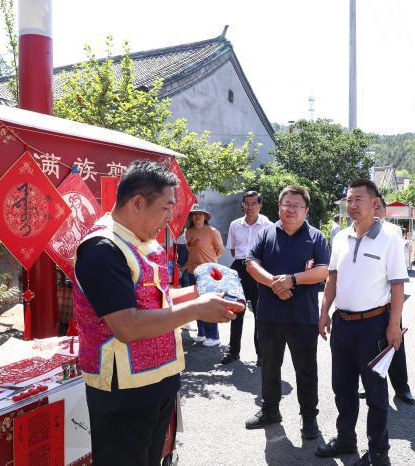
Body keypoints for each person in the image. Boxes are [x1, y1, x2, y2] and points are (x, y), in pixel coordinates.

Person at [73, 161, 242, 465]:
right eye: (166, 209)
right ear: (138, 202)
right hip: (124, 391)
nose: (168, 220)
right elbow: (127, 325)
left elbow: (158, 299)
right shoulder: (102, 248)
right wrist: (197, 309)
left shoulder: (143, 242)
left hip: (159, 379)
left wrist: (203, 292)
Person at [315, 179, 408, 466]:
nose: (352, 205)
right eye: (349, 199)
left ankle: (378, 452)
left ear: (374, 203)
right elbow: (332, 278)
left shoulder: (390, 237)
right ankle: (346, 440)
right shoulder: (340, 237)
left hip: (374, 326)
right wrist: (324, 312)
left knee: (376, 394)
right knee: (342, 388)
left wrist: (394, 326)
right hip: (342, 324)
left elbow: (397, 287)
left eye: (358, 199)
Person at [244, 185, 330, 440]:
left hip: (302, 316)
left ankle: (309, 418)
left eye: (297, 206)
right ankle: (270, 410)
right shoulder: (265, 234)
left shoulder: (316, 237)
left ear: (306, 210)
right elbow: (251, 264)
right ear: (279, 206)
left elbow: (323, 271)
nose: (291, 209)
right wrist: (274, 283)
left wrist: (291, 280)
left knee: (306, 369)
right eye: (287, 204)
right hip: (269, 315)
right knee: (269, 366)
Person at [373, 195, 415, 405]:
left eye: (378, 207)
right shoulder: (355, 232)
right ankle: (370, 385)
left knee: (395, 343)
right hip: (369, 304)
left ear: (385, 209)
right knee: (371, 347)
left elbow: (397, 276)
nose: (375, 211)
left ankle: (402, 387)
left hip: (390, 301)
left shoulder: (393, 231)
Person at [223, 191, 272, 365]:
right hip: (239, 269)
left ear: (260, 205)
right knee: (237, 310)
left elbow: (270, 251)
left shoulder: (268, 225)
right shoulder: (235, 225)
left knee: (260, 313)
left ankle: (261, 354)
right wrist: (244, 262)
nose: (249, 207)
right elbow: (233, 250)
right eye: (246, 203)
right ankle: (234, 351)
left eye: (253, 203)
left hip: (258, 269)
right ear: (242, 205)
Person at [184, 204, 225, 347]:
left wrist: (211, 263)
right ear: (191, 216)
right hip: (192, 272)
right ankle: (202, 333)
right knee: (196, 303)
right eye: (194, 214)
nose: (197, 216)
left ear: (205, 216)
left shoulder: (212, 231)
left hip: (208, 273)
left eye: (200, 213)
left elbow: (220, 249)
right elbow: (191, 251)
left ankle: (214, 336)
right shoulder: (188, 232)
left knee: (209, 304)